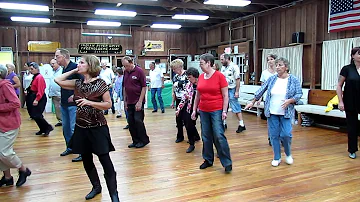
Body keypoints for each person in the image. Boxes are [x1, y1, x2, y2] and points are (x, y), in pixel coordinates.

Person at [55, 55, 119, 202]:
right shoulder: (78, 83)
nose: (79, 65)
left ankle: (114, 195)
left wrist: (89, 103)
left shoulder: (100, 83)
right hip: (81, 127)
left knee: (105, 161)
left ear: (90, 65)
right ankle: (96, 187)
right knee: (86, 160)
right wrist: (73, 70)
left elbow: (108, 104)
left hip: (98, 127)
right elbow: (58, 80)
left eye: (82, 63)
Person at [245, 57, 302, 167]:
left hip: (285, 113)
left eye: (280, 65)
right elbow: (261, 91)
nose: (277, 67)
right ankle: (277, 157)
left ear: (286, 67)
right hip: (272, 112)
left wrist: (290, 100)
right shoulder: (272, 79)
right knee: (274, 135)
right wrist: (252, 102)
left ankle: (288, 154)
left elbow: (299, 94)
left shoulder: (293, 80)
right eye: (276, 65)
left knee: (286, 134)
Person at [191, 53, 232, 173]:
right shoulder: (202, 77)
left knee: (219, 135)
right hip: (203, 110)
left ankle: (227, 162)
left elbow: (225, 95)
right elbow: (197, 95)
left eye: (202, 63)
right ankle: (208, 159)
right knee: (206, 135)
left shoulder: (219, 76)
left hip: (216, 109)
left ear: (209, 63)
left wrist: (224, 111)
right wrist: (194, 109)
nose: (200, 66)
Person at [0, 64, 31, 187]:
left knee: (4, 152)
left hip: (9, 123)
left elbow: (15, 103)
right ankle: (7, 177)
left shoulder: (5, 85)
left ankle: (23, 169)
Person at [55, 48, 82, 162]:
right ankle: (70, 147)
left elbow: (82, 83)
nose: (56, 59)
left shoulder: (75, 68)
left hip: (73, 104)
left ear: (64, 57)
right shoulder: (64, 69)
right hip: (65, 103)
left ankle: (81, 152)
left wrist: (76, 95)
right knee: (66, 128)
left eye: (57, 56)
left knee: (73, 128)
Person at [336, 47, 360, 159]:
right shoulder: (347, 69)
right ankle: (352, 150)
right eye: (359, 54)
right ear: (353, 56)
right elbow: (339, 85)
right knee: (352, 127)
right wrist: (340, 101)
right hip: (350, 101)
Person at [122, 56, 150, 148]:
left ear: (131, 63)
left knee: (138, 120)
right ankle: (135, 140)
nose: (125, 68)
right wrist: (125, 101)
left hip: (138, 101)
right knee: (131, 122)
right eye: (124, 66)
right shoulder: (125, 72)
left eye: (126, 65)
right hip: (129, 101)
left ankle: (144, 140)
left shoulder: (139, 71)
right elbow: (125, 87)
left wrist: (140, 101)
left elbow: (144, 87)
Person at [176, 67, 201, 153]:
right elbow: (184, 97)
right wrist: (179, 108)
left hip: (201, 107)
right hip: (190, 106)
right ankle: (191, 143)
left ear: (195, 76)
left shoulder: (202, 83)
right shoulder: (189, 85)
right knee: (188, 124)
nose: (188, 79)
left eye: (190, 77)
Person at [220, 54, 246, 133]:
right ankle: (223, 123)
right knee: (224, 106)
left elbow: (237, 79)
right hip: (225, 89)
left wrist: (237, 91)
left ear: (227, 59)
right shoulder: (223, 67)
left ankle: (241, 124)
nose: (221, 61)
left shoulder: (234, 67)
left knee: (235, 106)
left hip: (232, 89)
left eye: (222, 59)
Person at [26, 62, 53, 136]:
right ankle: (42, 129)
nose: (31, 71)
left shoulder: (39, 77)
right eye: (30, 69)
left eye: (32, 69)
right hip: (33, 95)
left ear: (37, 69)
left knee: (37, 115)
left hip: (39, 97)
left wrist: (37, 99)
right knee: (34, 115)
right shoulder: (35, 76)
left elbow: (40, 90)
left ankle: (48, 127)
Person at [258, 54, 277, 145]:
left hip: (278, 98)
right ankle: (271, 137)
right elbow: (262, 86)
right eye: (268, 60)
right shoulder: (264, 73)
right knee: (270, 118)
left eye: (272, 59)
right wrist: (259, 97)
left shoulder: (279, 72)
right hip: (267, 98)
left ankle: (278, 136)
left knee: (278, 118)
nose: (270, 61)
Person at [171, 59, 189, 143]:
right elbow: (174, 89)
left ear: (179, 67)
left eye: (174, 69)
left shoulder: (187, 75)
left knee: (187, 120)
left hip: (186, 100)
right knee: (178, 119)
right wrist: (173, 101)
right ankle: (180, 136)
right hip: (178, 99)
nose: (173, 71)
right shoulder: (175, 77)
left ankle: (193, 136)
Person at [49, 59, 63, 127]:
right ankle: (60, 121)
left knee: (61, 108)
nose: (52, 65)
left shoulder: (62, 71)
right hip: (54, 94)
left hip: (60, 94)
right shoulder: (52, 72)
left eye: (53, 63)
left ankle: (64, 121)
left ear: (57, 63)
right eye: (51, 64)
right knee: (57, 109)